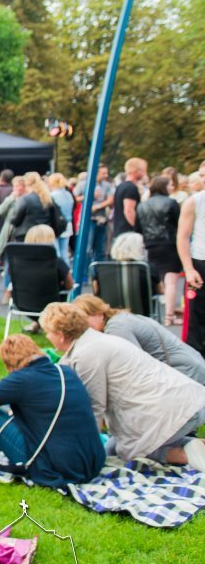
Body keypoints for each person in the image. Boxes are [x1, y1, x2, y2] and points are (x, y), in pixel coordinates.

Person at [40, 302, 205, 469]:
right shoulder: (92, 341)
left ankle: (188, 455)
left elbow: (94, 408)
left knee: (131, 452)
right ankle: (195, 446)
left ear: (60, 335)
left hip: (172, 409)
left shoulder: (87, 354)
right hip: (182, 400)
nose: (47, 337)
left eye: (48, 332)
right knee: (115, 449)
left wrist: (86, 452)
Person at [0, 336, 106, 486]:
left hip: (52, 466)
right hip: (92, 463)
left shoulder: (21, 379)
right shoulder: (66, 372)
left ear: (10, 363)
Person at [71, 294, 205, 387]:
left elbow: (134, 365)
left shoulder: (117, 327)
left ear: (99, 313)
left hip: (185, 373)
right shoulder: (121, 317)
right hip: (191, 366)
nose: (84, 326)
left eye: (86, 319)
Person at [137, 175, 181, 325]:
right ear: (164, 187)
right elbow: (179, 224)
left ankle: (158, 315)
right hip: (170, 244)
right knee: (171, 281)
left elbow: (138, 227)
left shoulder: (143, 205)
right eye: (170, 185)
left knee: (157, 279)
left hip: (151, 244)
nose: (172, 187)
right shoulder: (171, 203)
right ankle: (169, 316)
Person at [178, 165, 205, 358]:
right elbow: (182, 237)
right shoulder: (195, 201)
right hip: (200, 264)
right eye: (202, 175)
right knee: (196, 321)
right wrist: (188, 269)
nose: (203, 179)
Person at [10, 172, 61, 242]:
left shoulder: (25, 199)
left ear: (26, 184)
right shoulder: (48, 198)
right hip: (44, 235)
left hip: (26, 236)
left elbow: (14, 220)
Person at [113, 157, 147, 237]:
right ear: (136, 170)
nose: (144, 173)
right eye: (143, 170)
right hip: (128, 233)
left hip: (120, 231)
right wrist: (137, 229)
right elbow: (129, 211)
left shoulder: (120, 186)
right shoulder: (131, 188)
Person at [47, 173, 75, 262]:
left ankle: (58, 269)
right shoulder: (68, 194)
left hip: (56, 225)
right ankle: (65, 269)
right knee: (64, 252)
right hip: (67, 224)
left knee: (56, 252)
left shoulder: (52, 195)